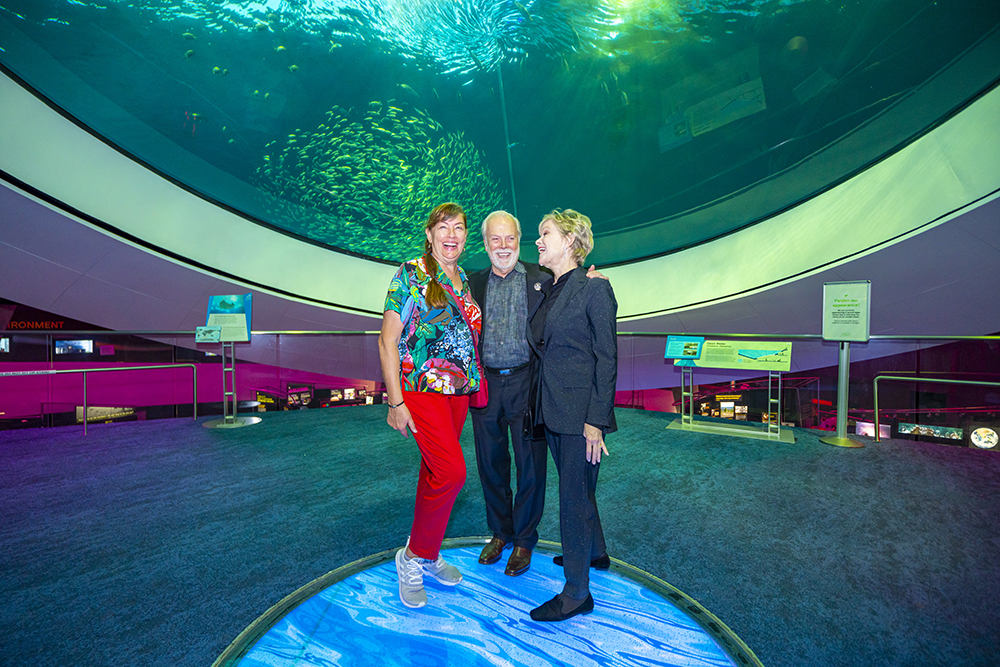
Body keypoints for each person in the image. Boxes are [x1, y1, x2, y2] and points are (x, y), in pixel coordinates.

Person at [378, 202, 483, 609]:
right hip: (420, 389)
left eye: (459, 227)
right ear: (430, 233)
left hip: (457, 394)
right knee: (454, 472)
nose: (451, 234)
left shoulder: (463, 281)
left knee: (435, 472)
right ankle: (412, 556)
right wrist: (395, 400)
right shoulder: (411, 273)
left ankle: (429, 550)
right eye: (444, 227)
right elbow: (388, 339)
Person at [529, 209, 617, 623]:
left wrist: (595, 421)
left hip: (580, 417)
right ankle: (595, 553)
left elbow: (606, 358)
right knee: (578, 489)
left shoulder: (594, 290)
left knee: (573, 500)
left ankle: (577, 594)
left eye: (545, 233)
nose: (538, 241)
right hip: (553, 411)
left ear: (570, 241)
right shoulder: (553, 288)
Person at [468, 211, 552, 577]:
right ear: (485, 243)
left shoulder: (543, 279)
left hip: (527, 384)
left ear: (520, 240)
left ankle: (524, 540)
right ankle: (500, 534)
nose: (503, 247)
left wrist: (589, 281)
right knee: (490, 464)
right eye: (494, 240)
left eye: (510, 239)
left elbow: (572, 295)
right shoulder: (471, 284)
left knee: (530, 465)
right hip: (485, 385)